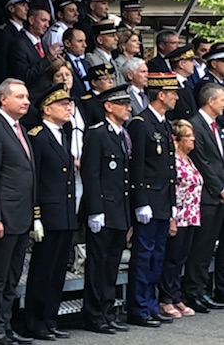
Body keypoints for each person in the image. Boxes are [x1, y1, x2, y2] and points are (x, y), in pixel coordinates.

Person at [0, 78, 37, 345]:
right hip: (4, 216)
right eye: (20, 97)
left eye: (26, 97)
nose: (26, 101)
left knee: (13, 276)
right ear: (3, 99)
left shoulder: (19, 129)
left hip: (22, 215)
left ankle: (6, 324)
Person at [25, 83, 77, 340]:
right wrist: (36, 216)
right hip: (47, 212)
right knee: (43, 269)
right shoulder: (38, 136)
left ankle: (50, 318)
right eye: (62, 104)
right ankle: (35, 320)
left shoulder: (63, 133)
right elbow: (35, 178)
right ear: (47, 109)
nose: (68, 108)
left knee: (58, 270)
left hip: (65, 212)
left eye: (69, 104)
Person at [127, 72, 178, 328]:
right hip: (148, 199)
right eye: (173, 93)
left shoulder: (163, 123)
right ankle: (138, 306)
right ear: (161, 94)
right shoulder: (141, 123)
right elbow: (136, 166)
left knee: (157, 255)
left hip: (161, 200)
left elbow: (168, 167)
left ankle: (149, 303)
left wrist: (172, 203)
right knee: (144, 255)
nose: (176, 97)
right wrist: (141, 200)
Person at [81, 84, 132, 335]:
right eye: (122, 104)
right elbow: (91, 174)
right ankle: (94, 314)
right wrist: (95, 209)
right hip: (103, 207)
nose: (128, 108)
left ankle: (107, 310)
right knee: (98, 263)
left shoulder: (122, 134)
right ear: (108, 106)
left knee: (112, 263)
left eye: (128, 103)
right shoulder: (98, 133)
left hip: (119, 208)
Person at [183, 83, 224, 313]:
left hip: (217, 196)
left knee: (208, 248)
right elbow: (202, 162)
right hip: (207, 195)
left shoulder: (215, 125)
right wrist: (220, 189)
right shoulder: (195, 125)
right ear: (210, 101)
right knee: (199, 248)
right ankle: (193, 291)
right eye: (222, 99)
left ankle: (202, 290)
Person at [158, 119, 202, 319]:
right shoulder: (174, 161)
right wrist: (171, 218)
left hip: (192, 216)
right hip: (179, 216)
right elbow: (173, 190)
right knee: (172, 259)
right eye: (189, 136)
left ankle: (176, 296)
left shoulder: (189, 159)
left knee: (181, 258)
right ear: (177, 139)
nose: (193, 139)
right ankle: (165, 299)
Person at [8, 7, 63, 128]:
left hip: (46, 106)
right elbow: (23, 77)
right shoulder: (19, 44)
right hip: (31, 109)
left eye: (48, 22)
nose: (47, 25)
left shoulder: (43, 43)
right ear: (32, 20)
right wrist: (47, 59)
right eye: (43, 20)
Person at [0, 0, 29, 85]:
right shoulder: (3, 33)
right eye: (22, 5)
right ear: (11, 8)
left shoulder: (26, 31)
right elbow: (1, 63)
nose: (27, 8)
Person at [86, 20, 125, 87]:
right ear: (100, 40)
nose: (116, 38)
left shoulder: (112, 60)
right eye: (111, 36)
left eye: (116, 35)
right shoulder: (92, 59)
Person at [166, 44, 198, 121]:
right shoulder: (171, 85)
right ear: (181, 64)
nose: (194, 64)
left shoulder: (186, 84)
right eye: (191, 61)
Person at [63, 28, 91, 98]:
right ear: (67, 43)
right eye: (80, 41)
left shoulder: (86, 63)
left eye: (85, 41)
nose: (85, 45)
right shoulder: (62, 63)